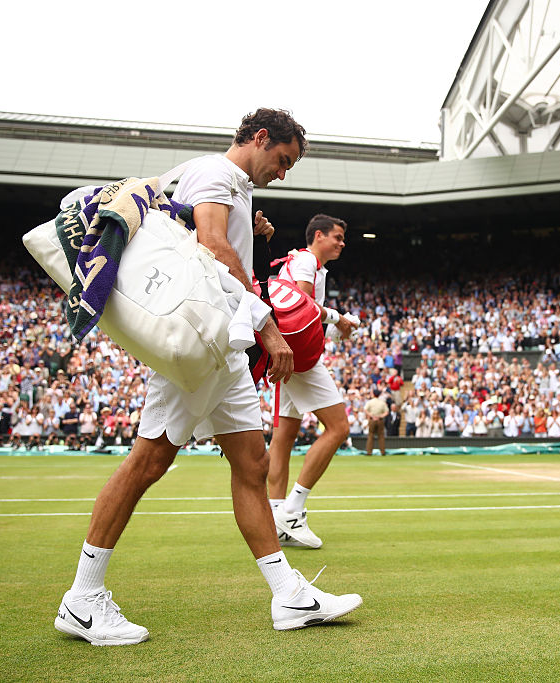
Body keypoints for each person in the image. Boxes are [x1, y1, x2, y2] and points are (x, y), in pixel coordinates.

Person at [54, 108, 360, 647]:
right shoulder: (216, 175)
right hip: (203, 343)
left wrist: (252, 232)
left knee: (252, 465)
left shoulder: (233, 187)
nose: (283, 172)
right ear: (260, 138)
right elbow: (212, 246)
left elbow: (221, 241)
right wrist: (266, 323)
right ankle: (82, 598)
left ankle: (288, 594)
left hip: (224, 349)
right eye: (283, 160)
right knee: (148, 461)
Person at [266, 214, 358, 550]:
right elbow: (303, 305)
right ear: (318, 235)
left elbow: (305, 313)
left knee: (285, 435)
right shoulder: (305, 260)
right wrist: (339, 318)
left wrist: (336, 326)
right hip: (299, 358)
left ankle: (275, 517)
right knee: (339, 428)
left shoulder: (304, 263)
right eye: (337, 237)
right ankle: (293, 508)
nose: (341, 243)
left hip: (288, 353)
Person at [363, 389, 389, 455]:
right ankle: (382, 452)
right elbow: (386, 412)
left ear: (373, 394)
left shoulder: (370, 402)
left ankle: (369, 452)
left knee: (371, 436)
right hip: (379, 420)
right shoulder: (382, 402)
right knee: (381, 436)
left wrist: (372, 416)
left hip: (372, 420)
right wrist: (380, 416)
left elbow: (365, 410)